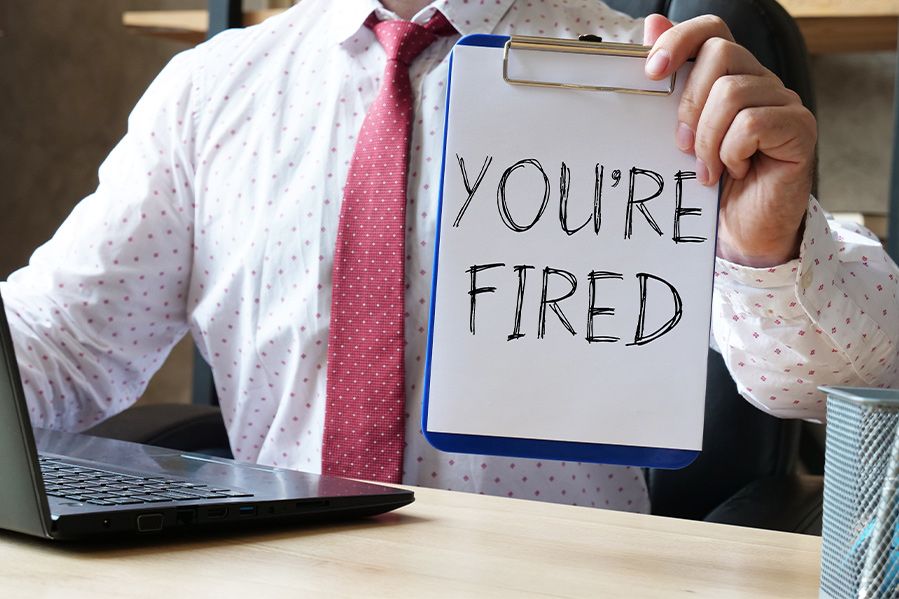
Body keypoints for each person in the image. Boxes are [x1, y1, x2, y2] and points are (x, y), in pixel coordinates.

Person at [3, 0, 897, 512]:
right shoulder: (210, 94)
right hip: (276, 574)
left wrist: (769, 247)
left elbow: (856, 376)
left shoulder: (654, 86)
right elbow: (56, 345)